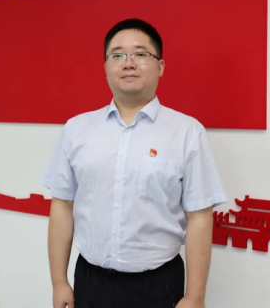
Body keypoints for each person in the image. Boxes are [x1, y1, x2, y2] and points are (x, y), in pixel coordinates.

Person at [40, 19, 226, 308]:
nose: (128, 63)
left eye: (140, 54)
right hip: (90, 281)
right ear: (105, 67)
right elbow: (62, 205)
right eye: (117, 55)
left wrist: (195, 295)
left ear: (160, 66)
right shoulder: (77, 129)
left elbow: (200, 216)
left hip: (159, 285)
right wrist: (59, 282)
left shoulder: (187, 132)